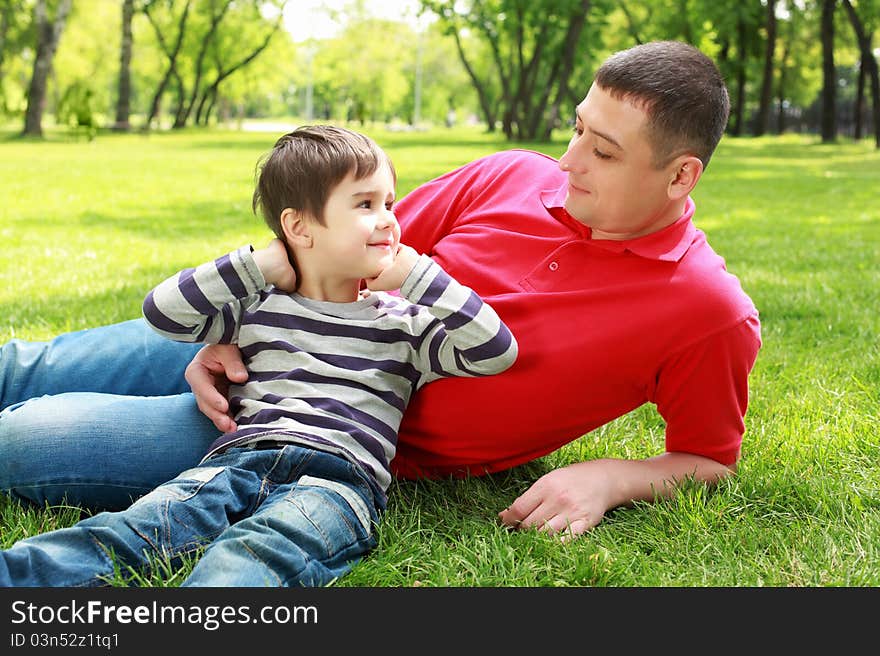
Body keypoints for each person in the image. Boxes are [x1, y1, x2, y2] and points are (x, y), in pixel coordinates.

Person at [0, 41, 760, 542]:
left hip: (314, 433)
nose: (568, 160)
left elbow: (706, 455)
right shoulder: (510, 175)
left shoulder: (705, 310)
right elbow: (348, 243)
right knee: (27, 369)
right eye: (576, 128)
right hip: (266, 331)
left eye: (601, 149)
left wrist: (609, 476)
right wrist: (222, 327)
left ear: (680, 174)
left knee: (25, 438)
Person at [0, 125, 517, 587]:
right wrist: (258, 265)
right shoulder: (257, 309)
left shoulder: (403, 323)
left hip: (337, 484)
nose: (388, 221)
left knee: (251, 560)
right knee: (135, 528)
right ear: (299, 228)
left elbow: (496, 350)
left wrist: (421, 278)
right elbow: (162, 312)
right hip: (239, 459)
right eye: (365, 205)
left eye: (389, 203)